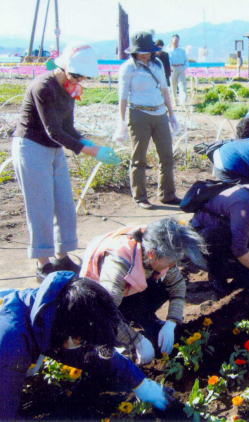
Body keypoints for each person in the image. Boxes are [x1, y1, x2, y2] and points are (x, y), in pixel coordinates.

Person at [12, 44, 120, 280]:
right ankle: (43, 263)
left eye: (83, 77)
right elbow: (53, 131)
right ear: (62, 67)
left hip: (54, 151)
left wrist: (93, 144)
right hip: (31, 147)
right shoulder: (43, 86)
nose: (78, 80)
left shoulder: (70, 88)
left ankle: (62, 256)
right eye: (75, 75)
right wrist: (91, 152)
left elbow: (68, 128)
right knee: (40, 206)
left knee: (64, 205)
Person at [0, 272, 169, 418]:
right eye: (82, 340)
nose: (84, 345)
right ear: (70, 333)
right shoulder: (10, 347)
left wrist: (140, 383)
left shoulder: (51, 312)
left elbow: (89, 353)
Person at [80, 218, 202, 364]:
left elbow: (177, 283)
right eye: (170, 262)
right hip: (101, 300)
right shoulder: (118, 266)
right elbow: (104, 314)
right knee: (107, 323)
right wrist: (136, 341)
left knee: (162, 286)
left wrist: (172, 322)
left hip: (130, 286)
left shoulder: (159, 250)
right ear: (152, 254)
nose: (173, 265)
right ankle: (110, 340)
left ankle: (143, 318)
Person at [113, 31, 180, 210]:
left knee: (166, 155)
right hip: (139, 114)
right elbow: (123, 96)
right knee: (139, 158)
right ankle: (140, 196)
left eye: (147, 51)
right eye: (141, 51)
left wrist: (172, 115)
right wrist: (121, 122)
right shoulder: (128, 68)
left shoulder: (157, 64)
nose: (145, 54)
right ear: (134, 51)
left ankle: (167, 194)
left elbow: (165, 90)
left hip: (160, 113)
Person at [168, 34, 188, 106]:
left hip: (181, 68)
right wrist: (170, 68)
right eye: (174, 40)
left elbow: (186, 60)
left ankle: (183, 101)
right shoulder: (169, 51)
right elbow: (168, 61)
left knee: (182, 85)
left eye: (177, 41)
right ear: (172, 41)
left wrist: (184, 68)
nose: (175, 42)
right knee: (173, 86)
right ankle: (175, 102)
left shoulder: (182, 51)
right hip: (172, 69)